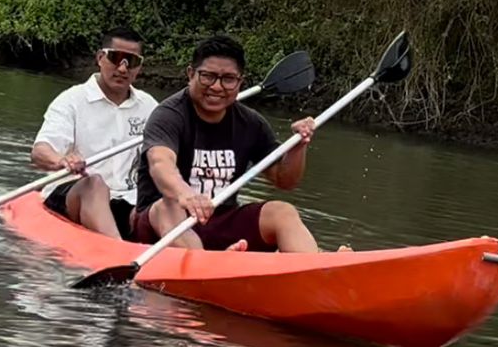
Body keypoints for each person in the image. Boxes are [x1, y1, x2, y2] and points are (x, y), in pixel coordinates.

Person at [129, 33, 319, 253]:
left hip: (219, 219)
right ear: (190, 74)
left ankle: (317, 268)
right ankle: (205, 265)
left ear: (240, 82)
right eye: (208, 76)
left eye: (228, 79)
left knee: (282, 212)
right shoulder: (169, 115)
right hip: (161, 223)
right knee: (168, 206)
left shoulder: (251, 123)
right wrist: (186, 194)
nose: (217, 87)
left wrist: (298, 146)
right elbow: (160, 163)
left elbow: (284, 180)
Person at [31, 28, 157, 239]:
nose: (123, 68)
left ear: (139, 67)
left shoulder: (149, 106)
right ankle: (116, 250)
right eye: (116, 58)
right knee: (94, 184)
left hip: (127, 198)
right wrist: (61, 160)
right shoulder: (72, 100)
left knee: (162, 203)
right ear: (100, 58)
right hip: (76, 192)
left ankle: (191, 253)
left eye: (131, 61)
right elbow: (40, 151)